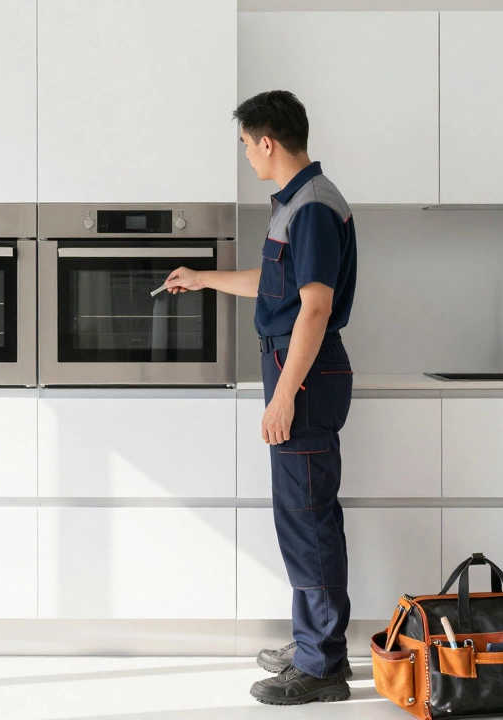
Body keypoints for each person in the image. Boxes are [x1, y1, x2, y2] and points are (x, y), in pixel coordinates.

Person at [162, 89, 358, 706]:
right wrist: (202, 278)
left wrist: (285, 398)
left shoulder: (314, 209)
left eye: (247, 145)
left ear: (267, 140)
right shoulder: (297, 205)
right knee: (302, 516)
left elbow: (317, 306)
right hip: (294, 369)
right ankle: (314, 644)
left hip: (304, 374)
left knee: (307, 520)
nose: (247, 156)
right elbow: (277, 286)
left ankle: (321, 663)